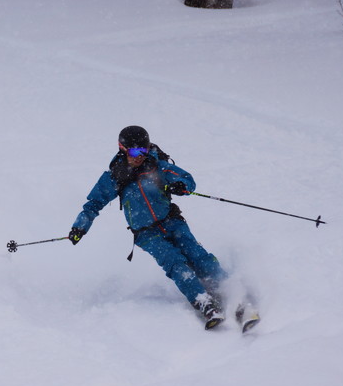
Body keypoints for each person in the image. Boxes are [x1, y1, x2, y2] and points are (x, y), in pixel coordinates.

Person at [68, 125, 228, 329]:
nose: (139, 157)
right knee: (175, 263)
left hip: (172, 221)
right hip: (146, 234)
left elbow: (187, 180)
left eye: (143, 151)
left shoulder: (157, 166)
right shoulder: (114, 177)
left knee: (197, 255)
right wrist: (79, 228)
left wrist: (180, 186)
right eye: (134, 152)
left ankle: (228, 287)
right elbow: (93, 205)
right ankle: (204, 303)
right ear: (123, 149)